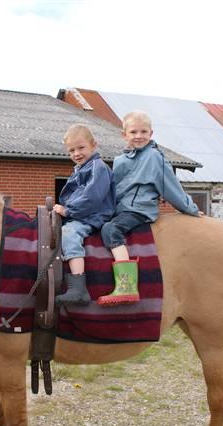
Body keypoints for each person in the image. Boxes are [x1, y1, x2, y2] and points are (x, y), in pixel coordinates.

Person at [98, 111, 202, 307]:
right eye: (133, 131)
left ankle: (126, 285)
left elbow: (171, 187)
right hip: (121, 208)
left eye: (143, 131)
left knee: (110, 230)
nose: (139, 136)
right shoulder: (120, 160)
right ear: (124, 135)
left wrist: (191, 209)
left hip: (139, 209)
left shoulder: (155, 157)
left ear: (151, 133)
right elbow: (114, 189)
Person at [53, 124, 115, 306]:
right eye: (72, 150)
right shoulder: (80, 169)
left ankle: (78, 288)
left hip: (93, 215)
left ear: (93, 145)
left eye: (81, 148)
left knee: (69, 234)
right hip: (82, 213)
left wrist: (68, 211)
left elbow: (92, 197)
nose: (77, 153)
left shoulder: (98, 167)